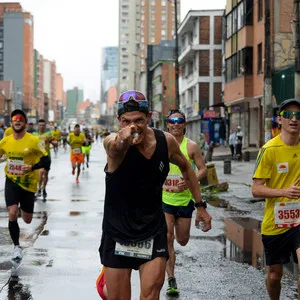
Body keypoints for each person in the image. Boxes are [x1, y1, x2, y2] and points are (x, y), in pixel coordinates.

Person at [97, 90, 212, 300]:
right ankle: (106, 285)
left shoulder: (165, 141)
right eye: (126, 121)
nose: (133, 126)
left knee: (150, 295)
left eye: (139, 120)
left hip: (152, 229)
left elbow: (187, 168)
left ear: (149, 117)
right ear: (119, 121)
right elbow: (115, 146)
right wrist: (122, 139)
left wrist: (200, 205)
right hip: (117, 232)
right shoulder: (112, 143)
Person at [252, 98, 300, 300]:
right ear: (279, 120)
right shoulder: (269, 150)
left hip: (299, 219)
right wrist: (284, 192)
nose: (294, 119)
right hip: (276, 223)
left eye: (298, 115)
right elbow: (256, 189)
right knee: (274, 275)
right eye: (288, 115)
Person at [162, 109, 208, 295]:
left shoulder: (192, 147)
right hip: (165, 198)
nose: (175, 124)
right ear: (167, 124)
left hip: (185, 200)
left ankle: (172, 273)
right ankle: (171, 279)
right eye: (172, 120)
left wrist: (190, 181)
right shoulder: (161, 144)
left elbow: (203, 170)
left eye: (179, 120)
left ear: (184, 124)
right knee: (167, 238)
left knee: (182, 240)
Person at [0, 109, 50, 262]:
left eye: (20, 119)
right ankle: (16, 247)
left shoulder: (34, 141)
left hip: (28, 184)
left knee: (27, 219)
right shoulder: (6, 141)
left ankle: (23, 208)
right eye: (14, 119)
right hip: (12, 181)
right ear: (11, 123)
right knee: (12, 212)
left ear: (25, 123)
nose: (17, 121)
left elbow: (46, 160)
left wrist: (32, 167)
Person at [33, 119, 57, 200]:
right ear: (38, 126)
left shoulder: (48, 134)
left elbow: (56, 143)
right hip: (38, 157)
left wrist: (50, 141)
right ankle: (39, 188)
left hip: (46, 157)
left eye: (43, 125)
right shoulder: (34, 134)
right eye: (40, 125)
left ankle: (44, 188)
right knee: (40, 172)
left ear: (45, 126)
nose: (41, 127)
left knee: (46, 175)